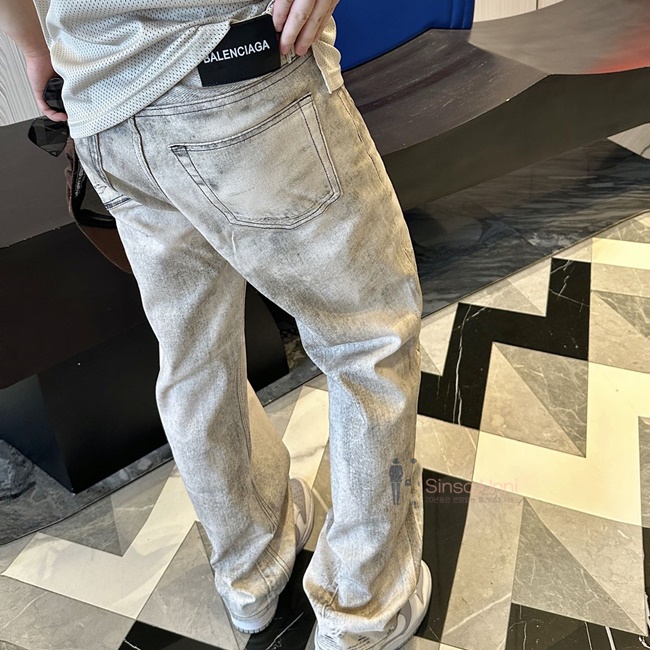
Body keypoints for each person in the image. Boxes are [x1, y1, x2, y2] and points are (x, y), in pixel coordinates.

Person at [0, 1, 432, 647]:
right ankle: (365, 608)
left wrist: (38, 48)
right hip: (234, 72)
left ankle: (251, 573)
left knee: (193, 350)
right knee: (368, 336)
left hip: (103, 101)